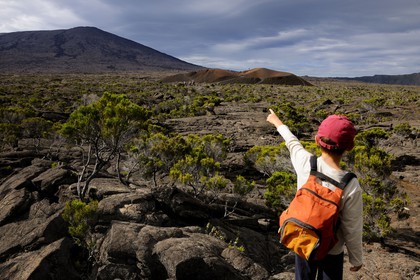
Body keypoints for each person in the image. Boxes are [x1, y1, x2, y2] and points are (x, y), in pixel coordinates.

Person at [266, 109, 363, 280]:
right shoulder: (350, 184)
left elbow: (292, 142)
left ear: (317, 140)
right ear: (350, 147)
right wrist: (356, 258)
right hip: (332, 250)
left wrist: (277, 122)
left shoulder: (306, 163)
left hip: (303, 238)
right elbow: (352, 227)